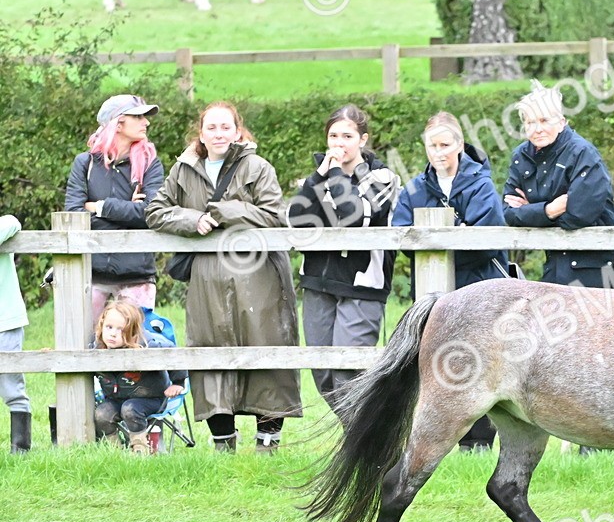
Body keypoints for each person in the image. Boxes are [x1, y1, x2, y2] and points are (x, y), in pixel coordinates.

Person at [145, 101, 302, 454]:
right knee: (209, 353)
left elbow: (275, 215)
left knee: (266, 350)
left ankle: (268, 444)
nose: (218, 133)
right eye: (211, 127)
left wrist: (224, 211)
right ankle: (222, 447)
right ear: (201, 132)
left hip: (259, 278)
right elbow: (155, 211)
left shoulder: (257, 167)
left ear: (237, 130)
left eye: (225, 127)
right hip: (207, 281)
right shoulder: (184, 170)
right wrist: (190, 220)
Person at [394, 111, 508, 451]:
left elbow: (487, 237)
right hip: (432, 287)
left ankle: (480, 441)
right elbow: (403, 233)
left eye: (445, 144)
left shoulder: (480, 184)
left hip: (477, 284)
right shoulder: (415, 188)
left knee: (479, 359)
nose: (438, 151)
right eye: (432, 145)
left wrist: (456, 239)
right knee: (438, 360)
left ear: (459, 145)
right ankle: (441, 435)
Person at [287, 105, 399, 411]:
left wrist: (334, 172)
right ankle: (362, 441)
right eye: (333, 135)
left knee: (347, 372)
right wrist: (318, 176)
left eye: (347, 136)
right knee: (323, 373)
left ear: (362, 140)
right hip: (318, 283)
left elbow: (355, 217)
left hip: (362, 286)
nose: (339, 143)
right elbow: (294, 221)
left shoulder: (383, 178)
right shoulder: (317, 177)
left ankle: (369, 444)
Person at [503, 81, 614, 290]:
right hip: (556, 264)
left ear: (561, 122)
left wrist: (529, 211)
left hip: (601, 267)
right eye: (530, 123)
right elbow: (509, 214)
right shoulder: (521, 156)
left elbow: (579, 214)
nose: (537, 129)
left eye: (544, 120)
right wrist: (550, 209)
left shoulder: (583, 153)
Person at [64, 94, 165, 323]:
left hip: (137, 275)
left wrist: (100, 207)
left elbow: (151, 214)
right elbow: (73, 217)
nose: (146, 122)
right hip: (91, 274)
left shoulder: (151, 164)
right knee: (82, 347)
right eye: (138, 117)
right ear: (118, 123)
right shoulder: (85, 163)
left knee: (134, 349)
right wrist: (129, 211)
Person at [91, 300, 185, 454]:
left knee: (130, 409)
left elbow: (174, 355)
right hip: (115, 398)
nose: (113, 333)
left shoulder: (148, 345)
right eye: (109, 327)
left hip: (151, 398)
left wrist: (178, 382)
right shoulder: (97, 348)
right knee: (102, 414)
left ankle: (140, 451)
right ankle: (115, 453)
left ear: (133, 332)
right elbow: (79, 360)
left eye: (121, 330)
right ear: (101, 326)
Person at [0, 213, 31, 453]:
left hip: (5, 320)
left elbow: (13, 221)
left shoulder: (5, 225)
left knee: (12, 386)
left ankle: (20, 448)